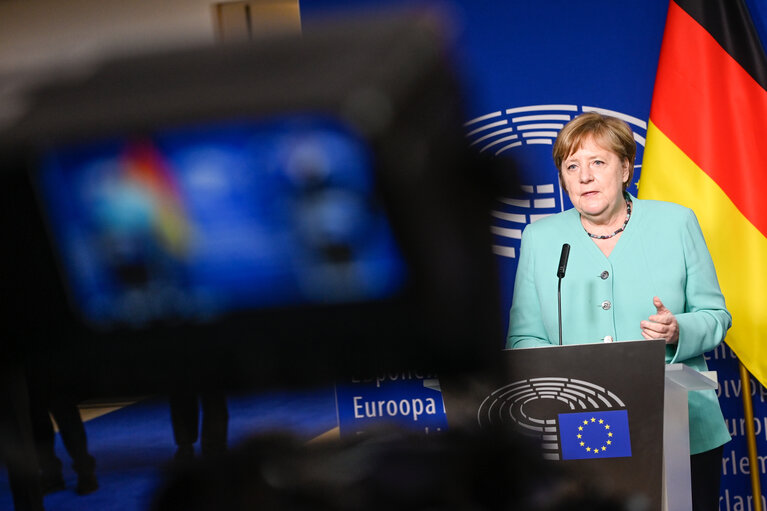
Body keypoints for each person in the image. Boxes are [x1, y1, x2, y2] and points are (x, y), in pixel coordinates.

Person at [506, 112, 731, 511]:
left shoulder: (676, 223)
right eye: (571, 165)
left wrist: (677, 329)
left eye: (598, 162)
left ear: (625, 167)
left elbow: (715, 315)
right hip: (581, 432)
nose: (584, 176)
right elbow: (525, 339)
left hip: (681, 429)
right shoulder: (541, 239)